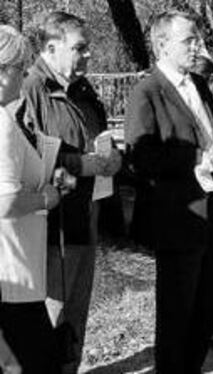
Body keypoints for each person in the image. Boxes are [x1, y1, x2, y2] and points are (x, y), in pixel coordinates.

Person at [124, 10, 213, 373]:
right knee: (176, 315)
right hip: (179, 220)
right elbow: (142, 155)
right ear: (162, 44)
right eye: (189, 40)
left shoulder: (199, 85)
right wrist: (197, 156)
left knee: (205, 312)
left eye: (197, 39)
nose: (197, 47)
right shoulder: (147, 91)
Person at [21, 11, 122, 374]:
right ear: (51, 47)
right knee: (51, 314)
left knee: (76, 315)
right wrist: (83, 165)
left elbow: (98, 141)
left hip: (85, 217)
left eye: (89, 48)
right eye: (80, 48)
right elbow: (26, 158)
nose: (89, 55)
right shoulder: (29, 89)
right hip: (47, 228)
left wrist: (112, 159)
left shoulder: (83, 90)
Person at [0, 24, 60, 374]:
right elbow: (5, 201)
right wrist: (46, 198)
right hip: (13, 272)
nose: (24, 79)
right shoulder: (3, 124)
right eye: (20, 70)